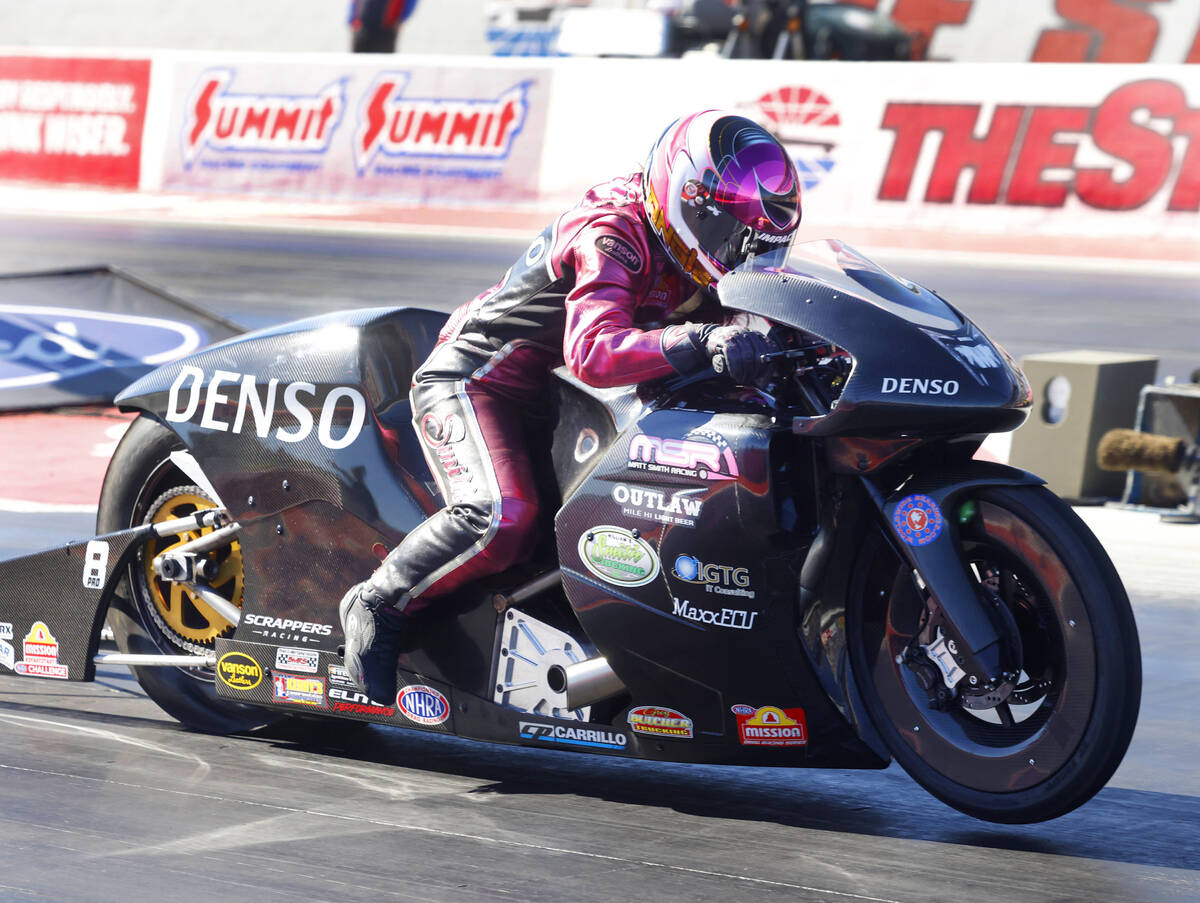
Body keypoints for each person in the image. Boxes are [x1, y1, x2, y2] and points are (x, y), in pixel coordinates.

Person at [339, 110, 803, 703]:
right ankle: (379, 598)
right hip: (478, 380)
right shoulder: (613, 232)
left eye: (753, 243)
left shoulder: (700, 256)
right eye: (729, 236)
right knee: (502, 516)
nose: (736, 255)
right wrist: (700, 341)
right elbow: (593, 351)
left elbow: (756, 321)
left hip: (562, 402)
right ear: (689, 204)